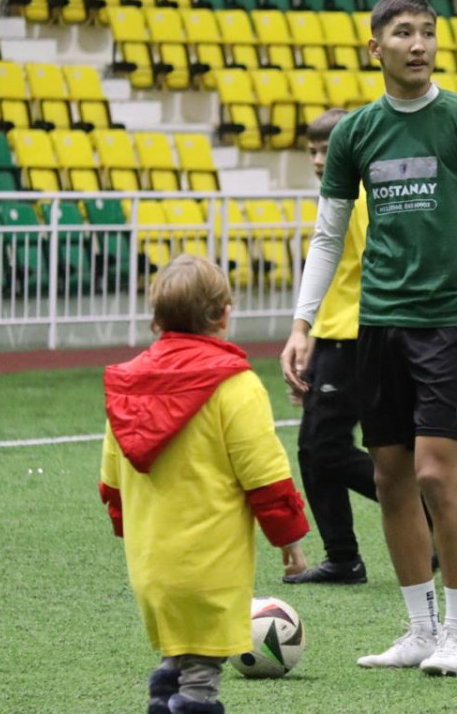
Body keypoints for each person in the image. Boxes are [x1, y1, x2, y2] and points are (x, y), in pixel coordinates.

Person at [280, 0, 457, 677]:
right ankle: (418, 630)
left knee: (433, 474)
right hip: (375, 325)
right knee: (388, 478)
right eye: (403, 33)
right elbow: (328, 236)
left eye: (427, 33)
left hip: (447, 321)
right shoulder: (356, 133)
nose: (418, 44)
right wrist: (302, 323)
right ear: (375, 47)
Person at [98, 254, 310, 714]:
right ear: (224, 313)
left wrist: (127, 528)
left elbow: (111, 483)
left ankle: (164, 692)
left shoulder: (127, 388)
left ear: (156, 320)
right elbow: (266, 476)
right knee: (203, 678)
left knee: (178, 651)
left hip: (150, 559)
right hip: (211, 560)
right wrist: (290, 539)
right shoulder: (235, 386)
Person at [283, 108, 380, 586]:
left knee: (324, 447)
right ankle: (342, 556)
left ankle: (420, 510)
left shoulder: (360, 199)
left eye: (328, 150)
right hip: (334, 337)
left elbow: (367, 276)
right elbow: (339, 279)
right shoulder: (338, 195)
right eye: (313, 151)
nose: (320, 160)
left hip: (360, 337)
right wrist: (310, 340)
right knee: (315, 447)